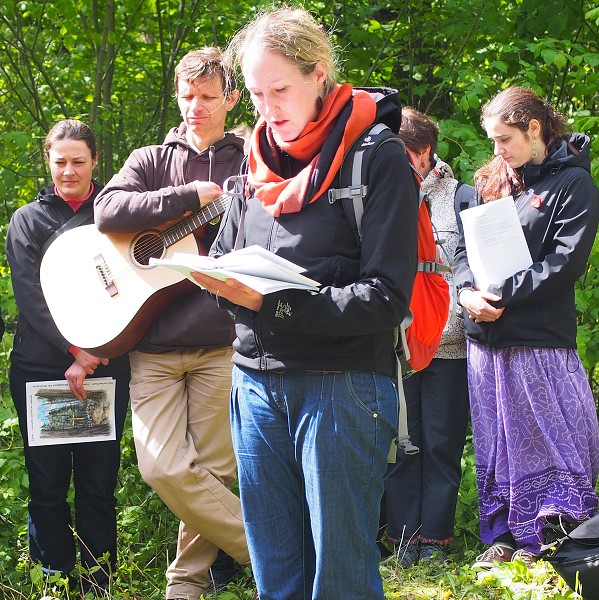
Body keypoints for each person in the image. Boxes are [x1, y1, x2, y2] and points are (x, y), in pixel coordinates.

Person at [190, 8, 419, 600]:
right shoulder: (253, 160)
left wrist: (274, 305)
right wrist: (214, 280)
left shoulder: (378, 157)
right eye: (256, 94)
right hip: (254, 384)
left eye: (281, 90)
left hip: (341, 386)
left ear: (319, 74)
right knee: (275, 572)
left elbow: (386, 298)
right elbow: (225, 260)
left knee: (340, 577)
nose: (268, 109)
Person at [93, 47, 250, 600]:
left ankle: (185, 584)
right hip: (152, 341)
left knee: (214, 470)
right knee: (162, 468)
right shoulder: (151, 160)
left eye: (207, 97)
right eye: (187, 96)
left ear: (231, 99)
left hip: (220, 341)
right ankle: (272, 549)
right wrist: (186, 197)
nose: (195, 107)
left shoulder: (251, 161)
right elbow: (107, 211)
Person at [453, 86, 599, 569]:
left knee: (549, 436)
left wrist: (500, 295)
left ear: (534, 129)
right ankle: (506, 536)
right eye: (493, 140)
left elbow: (565, 262)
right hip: (485, 340)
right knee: (498, 440)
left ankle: (556, 538)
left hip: (538, 340)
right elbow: (463, 249)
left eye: (505, 139)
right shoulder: (492, 180)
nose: (498, 150)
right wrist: (466, 292)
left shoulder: (573, 184)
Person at [5, 119, 131, 593]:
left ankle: (100, 583)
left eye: (79, 161)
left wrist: (95, 354)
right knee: (48, 485)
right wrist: (76, 350)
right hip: (42, 368)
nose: (69, 171)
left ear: (96, 161)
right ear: (48, 161)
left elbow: (132, 287)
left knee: (98, 485)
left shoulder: (116, 215)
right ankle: (54, 582)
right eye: (60, 162)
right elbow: (30, 297)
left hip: (107, 366)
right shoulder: (27, 220)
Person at [380, 108, 470, 567]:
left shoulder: (462, 198)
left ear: (423, 152)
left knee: (440, 444)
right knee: (401, 445)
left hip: (449, 343)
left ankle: (434, 540)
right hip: (397, 345)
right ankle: (401, 540)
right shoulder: (383, 195)